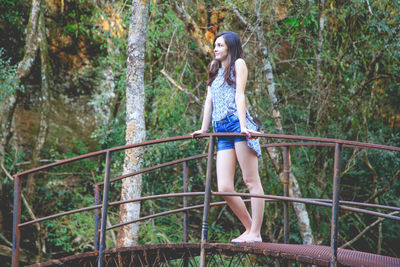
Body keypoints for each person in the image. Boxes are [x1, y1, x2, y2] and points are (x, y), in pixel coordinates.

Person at [191, 32, 264, 243]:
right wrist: (204, 130)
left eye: (220, 45)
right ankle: (251, 230)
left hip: (236, 125)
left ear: (230, 47)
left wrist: (243, 126)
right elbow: (209, 101)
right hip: (220, 130)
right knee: (224, 187)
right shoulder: (215, 69)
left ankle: (255, 233)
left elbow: (240, 95)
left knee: (251, 181)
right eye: (215, 45)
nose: (215, 49)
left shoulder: (238, 64)